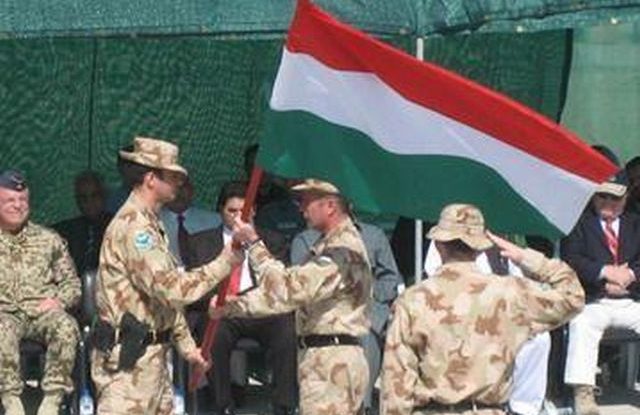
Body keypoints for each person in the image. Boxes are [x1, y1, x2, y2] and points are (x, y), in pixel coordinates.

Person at [381, 203, 585, 415]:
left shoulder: (413, 300)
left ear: (439, 245)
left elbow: (396, 383)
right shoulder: (510, 294)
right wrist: (524, 257)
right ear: (480, 248)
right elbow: (573, 297)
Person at [91, 137, 243, 415]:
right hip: (129, 370)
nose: (179, 183)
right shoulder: (135, 228)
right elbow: (170, 289)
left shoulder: (151, 223)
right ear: (150, 178)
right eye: (172, 176)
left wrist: (188, 348)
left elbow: (162, 302)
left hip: (153, 362)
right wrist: (224, 263)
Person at [226, 179, 372, 415]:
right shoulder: (328, 245)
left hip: (331, 364)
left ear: (330, 206)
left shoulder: (341, 251)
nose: (301, 208)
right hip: (325, 359)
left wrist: (254, 244)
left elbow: (288, 289)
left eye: (306, 201)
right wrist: (234, 306)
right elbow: (286, 297)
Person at [185, 180, 296, 415]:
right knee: (214, 332)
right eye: (231, 211)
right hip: (223, 311)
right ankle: (223, 405)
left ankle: (283, 405)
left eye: (243, 211)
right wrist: (220, 301)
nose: (238, 217)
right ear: (220, 211)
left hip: (261, 310)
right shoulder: (199, 242)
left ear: (253, 210)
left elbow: (281, 286)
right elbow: (194, 287)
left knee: (286, 327)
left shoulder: (273, 240)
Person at [423, 240, 552, 415]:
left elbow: (518, 284)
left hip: (499, 314)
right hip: (459, 313)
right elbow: (435, 278)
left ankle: (523, 408)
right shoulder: (446, 239)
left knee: (538, 338)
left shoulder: (503, 245)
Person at [290, 219, 401, 415]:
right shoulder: (305, 240)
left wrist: (369, 293)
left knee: (367, 334)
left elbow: (390, 277)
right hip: (325, 311)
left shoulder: (374, 235)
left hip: (367, 308)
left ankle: (362, 405)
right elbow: (298, 284)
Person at [561, 151, 640, 415]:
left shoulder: (635, 223)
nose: (608, 203)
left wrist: (630, 276)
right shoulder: (579, 223)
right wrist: (606, 273)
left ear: (626, 197)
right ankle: (583, 392)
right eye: (602, 196)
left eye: (615, 198)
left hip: (631, 299)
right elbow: (571, 259)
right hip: (595, 298)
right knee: (582, 324)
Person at [0, 169, 81, 415]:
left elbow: (72, 283)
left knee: (66, 327)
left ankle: (52, 401)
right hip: (4, 314)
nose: (17, 206)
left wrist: (60, 301)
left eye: (22, 200)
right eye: (10, 200)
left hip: (41, 313)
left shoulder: (49, 240)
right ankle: (11, 401)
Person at [54, 171, 112, 277]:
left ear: (104, 196)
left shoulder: (117, 226)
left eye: (94, 195)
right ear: (77, 201)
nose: (89, 202)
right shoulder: (68, 229)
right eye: (83, 198)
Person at [159, 176, 221, 265]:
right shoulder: (152, 221)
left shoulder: (214, 221)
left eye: (182, 187)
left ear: (191, 190)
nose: (178, 193)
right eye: (174, 187)